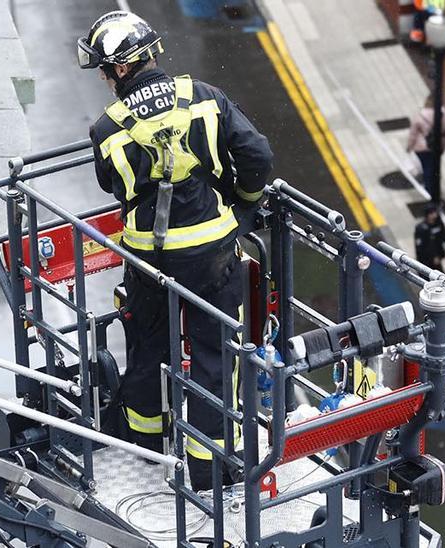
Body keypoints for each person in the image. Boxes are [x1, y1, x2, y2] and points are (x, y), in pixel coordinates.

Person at [80, 10, 273, 492]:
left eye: (104, 70)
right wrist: (244, 206)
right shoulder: (205, 98)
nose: (105, 80)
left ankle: (145, 447)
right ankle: (207, 467)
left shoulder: (107, 130)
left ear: (121, 68)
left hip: (149, 261)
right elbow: (258, 156)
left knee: (148, 347)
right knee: (213, 355)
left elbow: (112, 185)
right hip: (213, 254)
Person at [406, 96, 445, 204]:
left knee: (427, 168)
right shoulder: (444, 115)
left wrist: (409, 146)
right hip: (438, 146)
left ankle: (429, 191)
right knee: (435, 167)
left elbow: (413, 134)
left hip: (422, 147)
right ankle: (436, 189)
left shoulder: (420, 116)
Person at [414, 203, 445, 272]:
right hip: (425, 261)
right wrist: (433, 257)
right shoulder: (421, 228)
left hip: (437, 258)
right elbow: (421, 247)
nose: (435, 214)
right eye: (433, 213)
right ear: (428, 215)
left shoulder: (438, 224)